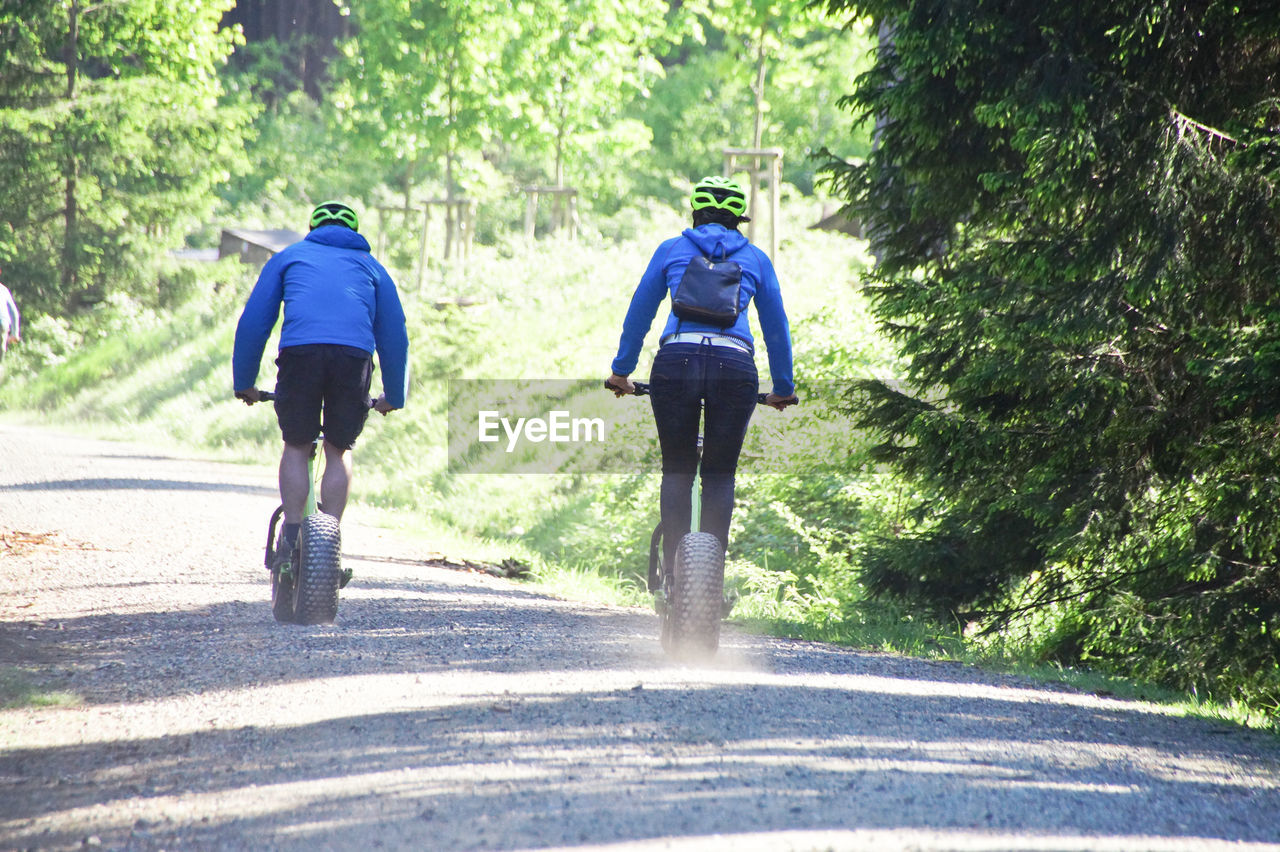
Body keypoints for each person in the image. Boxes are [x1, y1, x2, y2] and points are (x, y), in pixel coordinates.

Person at [606, 175, 797, 569]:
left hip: (676, 361)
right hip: (736, 367)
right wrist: (782, 387)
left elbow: (640, 310)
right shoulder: (757, 258)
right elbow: (776, 327)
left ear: (695, 213)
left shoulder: (671, 249)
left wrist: (621, 372)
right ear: (738, 220)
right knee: (720, 474)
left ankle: (678, 572)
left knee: (677, 471)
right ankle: (709, 576)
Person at [232, 201, 409, 567]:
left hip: (301, 357)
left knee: (297, 446)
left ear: (312, 228)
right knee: (338, 449)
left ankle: (293, 535)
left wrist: (245, 382)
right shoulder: (373, 268)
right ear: (355, 231)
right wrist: (394, 395)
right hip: (352, 360)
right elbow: (394, 337)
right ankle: (327, 545)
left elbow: (254, 322)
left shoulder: (289, 258)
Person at [0, 269, 20, 358]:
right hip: (3, 322)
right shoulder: (4, 290)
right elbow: (14, 312)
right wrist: (15, 333)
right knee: (1, 348)